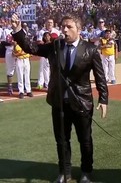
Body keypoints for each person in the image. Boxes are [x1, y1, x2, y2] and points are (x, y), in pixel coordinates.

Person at [11, 13, 109, 183]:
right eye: (63, 26)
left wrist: (103, 99)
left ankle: (86, 171)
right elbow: (31, 48)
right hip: (59, 102)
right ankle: (65, 172)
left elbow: (100, 77)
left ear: (79, 29)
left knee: (85, 140)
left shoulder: (90, 49)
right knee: (62, 140)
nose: (64, 29)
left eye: (69, 26)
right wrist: (18, 30)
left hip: (81, 102)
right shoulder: (56, 45)